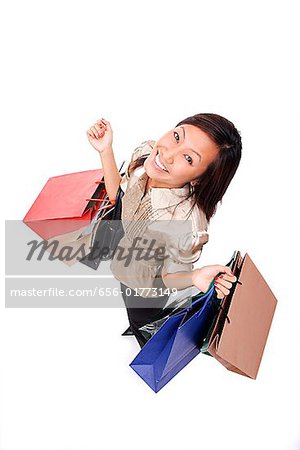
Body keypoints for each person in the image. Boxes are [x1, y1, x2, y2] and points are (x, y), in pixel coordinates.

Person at [86, 114, 241, 347]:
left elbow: (164, 279)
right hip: (127, 255)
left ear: (199, 179)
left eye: (188, 158)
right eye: (177, 136)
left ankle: (145, 339)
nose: (167, 154)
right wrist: (105, 150)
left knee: (144, 321)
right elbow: (119, 195)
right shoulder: (146, 156)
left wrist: (194, 277)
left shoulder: (184, 224)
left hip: (148, 285)